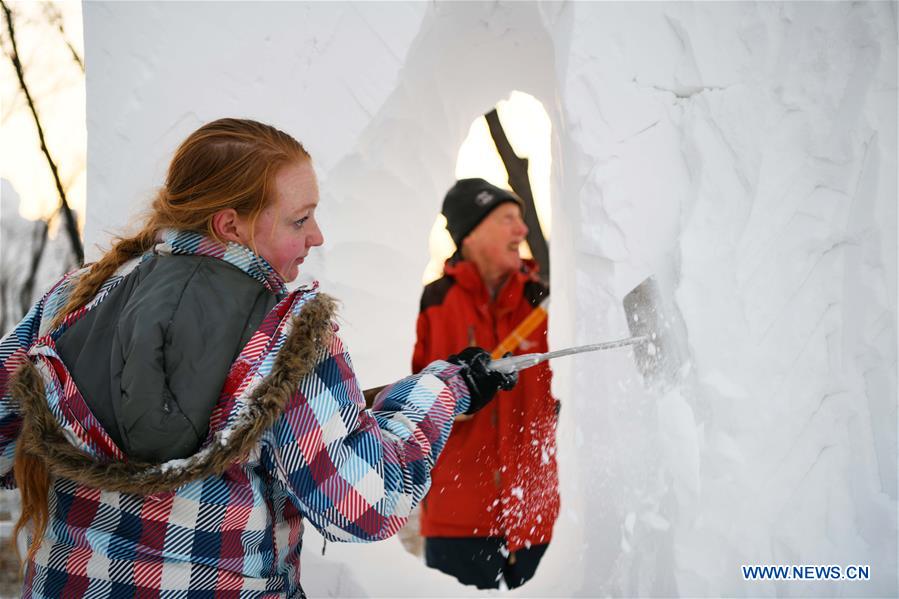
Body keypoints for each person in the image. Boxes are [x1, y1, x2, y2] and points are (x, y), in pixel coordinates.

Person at [0, 119, 516, 598]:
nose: (316, 236)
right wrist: (444, 391)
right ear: (231, 225)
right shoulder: (289, 335)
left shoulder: (75, 299)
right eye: (300, 219)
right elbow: (362, 504)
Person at [412, 178, 560, 589]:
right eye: (508, 219)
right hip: (456, 524)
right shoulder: (434, 302)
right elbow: (414, 407)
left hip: (539, 522)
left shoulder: (547, 301)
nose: (522, 230)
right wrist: (458, 395)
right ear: (472, 232)